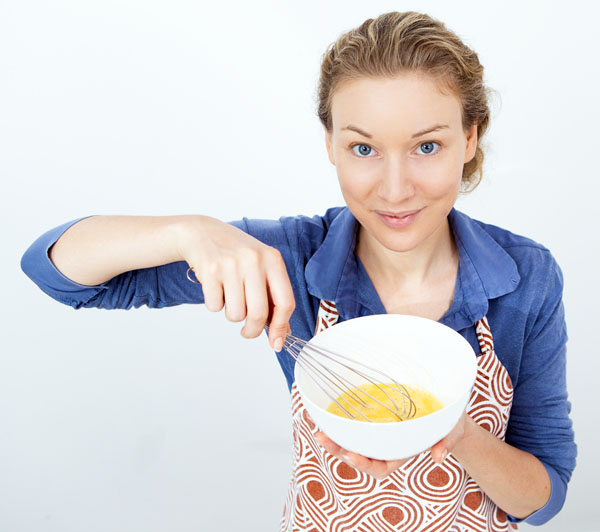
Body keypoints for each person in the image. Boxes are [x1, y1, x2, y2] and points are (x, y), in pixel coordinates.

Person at [21, 11, 576, 531]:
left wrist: (455, 434)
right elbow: (56, 273)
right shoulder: (288, 258)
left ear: (470, 138)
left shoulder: (526, 277)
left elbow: (544, 497)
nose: (394, 188)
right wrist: (189, 232)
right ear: (331, 144)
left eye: (426, 146)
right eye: (363, 149)